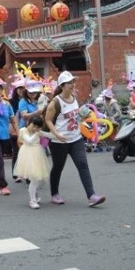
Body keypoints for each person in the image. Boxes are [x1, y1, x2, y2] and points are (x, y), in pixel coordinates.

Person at [44, 71, 106, 207]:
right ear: (62, 86)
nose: (72, 85)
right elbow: (48, 120)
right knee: (58, 167)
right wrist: (56, 134)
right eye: (69, 83)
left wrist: (82, 117)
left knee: (83, 165)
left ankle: (91, 196)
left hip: (76, 138)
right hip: (59, 141)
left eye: (73, 82)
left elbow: (75, 117)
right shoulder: (55, 103)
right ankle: (54, 193)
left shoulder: (74, 97)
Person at [13, 115, 54, 209]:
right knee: (34, 178)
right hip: (27, 154)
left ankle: (33, 192)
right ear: (28, 122)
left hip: (38, 153)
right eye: (34, 126)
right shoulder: (23, 130)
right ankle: (32, 200)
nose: (35, 128)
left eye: (38, 127)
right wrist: (38, 133)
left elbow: (49, 135)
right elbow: (29, 140)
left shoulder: (38, 131)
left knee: (42, 179)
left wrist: (59, 134)